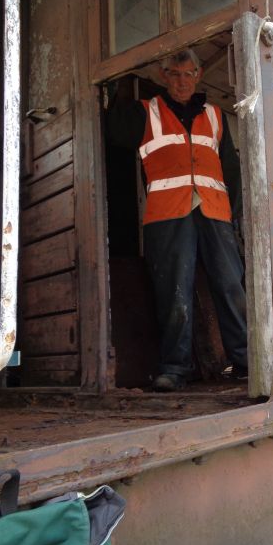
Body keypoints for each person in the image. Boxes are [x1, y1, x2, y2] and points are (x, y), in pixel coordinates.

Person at [106, 49, 248, 391]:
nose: (181, 81)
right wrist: (109, 87)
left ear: (198, 75)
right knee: (173, 289)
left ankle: (245, 360)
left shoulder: (215, 115)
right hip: (167, 213)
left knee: (231, 286)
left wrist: (235, 212)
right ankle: (174, 368)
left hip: (215, 211)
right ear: (162, 75)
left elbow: (230, 168)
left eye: (187, 74)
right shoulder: (145, 113)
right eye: (173, 74)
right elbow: (114, 134)